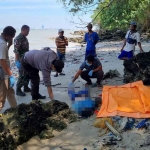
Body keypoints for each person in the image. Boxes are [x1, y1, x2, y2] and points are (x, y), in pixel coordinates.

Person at [0, 26, 17, 111]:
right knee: (2, 98)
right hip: (3, 72)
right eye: (12, 37)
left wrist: (9, 45)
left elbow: (3, 54)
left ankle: (15, 110)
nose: (11, 39)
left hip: (3, 71)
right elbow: (2, 61)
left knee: (10, 92)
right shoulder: (2, 44)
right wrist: (10, 75)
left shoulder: (2, 42)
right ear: (8, 36)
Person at [14, 25, 31, 96]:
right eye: (27, 31)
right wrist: (17, 61)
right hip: (21, 59)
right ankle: (18, 90)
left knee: (27, 73)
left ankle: (26, 87)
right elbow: (16, 51)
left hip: (26, 59)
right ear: (23, 30)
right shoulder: (18, 39)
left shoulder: (24, 38)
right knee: (22, 75)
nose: (28, 33)